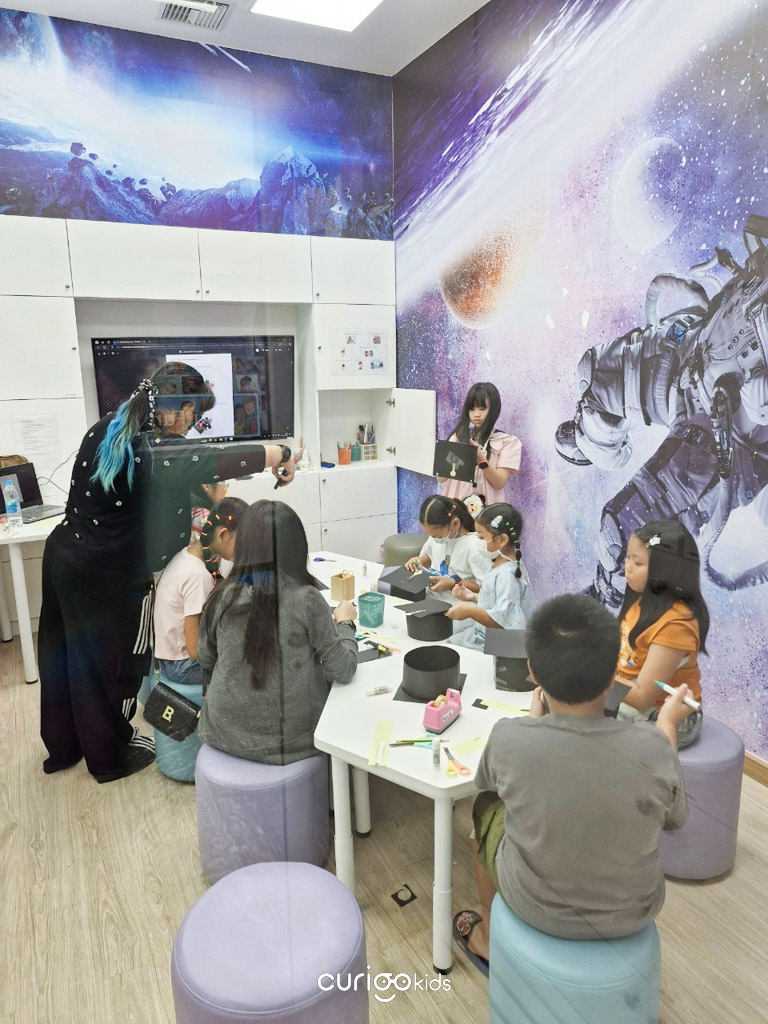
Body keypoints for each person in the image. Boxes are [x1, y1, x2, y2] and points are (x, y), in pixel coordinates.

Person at [38, 362, 295, 784]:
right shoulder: (151, 447)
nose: (193, 426)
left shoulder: (111, 426)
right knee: (115, 667)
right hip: (104, 574)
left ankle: (65, 747)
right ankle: (110, 757)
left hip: (63, 555)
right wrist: (280, 454)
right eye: (195, 414)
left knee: (66, 660)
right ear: (182, 407)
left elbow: (162, 483)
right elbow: (209, 461)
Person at [453, 593, 692, 974]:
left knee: (485, 807)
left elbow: (488, 785)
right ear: (613, 673)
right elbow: (676, 818)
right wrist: (667, 725)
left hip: (534, 905)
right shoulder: (653, 746)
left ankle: (486, 934)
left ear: (532, 671)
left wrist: (531, 725)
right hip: (635, 909)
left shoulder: (510, 737)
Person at [196, 500, 358, 763]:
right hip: (291, 743)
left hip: (222, 732)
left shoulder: (221, 596)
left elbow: (205, 658)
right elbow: (343, 669)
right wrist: (346, 624)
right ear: (297, 547)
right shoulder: (306, 599)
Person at [616, 519, 708, 747]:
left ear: (666, 572)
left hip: (670, 716)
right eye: (628, 557)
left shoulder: (676, 624)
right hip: (630, 696)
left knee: (588, 725)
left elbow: (642, 698)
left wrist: (594, 676)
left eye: (637, 562)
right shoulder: (640, 600)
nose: (627, 566)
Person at [153, 497, 247, 688]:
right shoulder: (198, 575)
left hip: (169, 659)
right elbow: (195, 651)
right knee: (249, 666)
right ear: (222, 535)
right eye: (242, 541)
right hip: (181, 666)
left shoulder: (186, 555)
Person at [446, 503, 535, 646]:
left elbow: (503, 622)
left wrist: (470, 611)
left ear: (502, 540)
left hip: (495, 644)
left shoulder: (507, 576)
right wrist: (473, 597)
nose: (477, 541)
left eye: (481, 537)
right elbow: (498, 602)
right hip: (483, 634)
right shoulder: (500, 562)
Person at [438, 382, 522, 506]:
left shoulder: (507, 442)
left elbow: (499, 482)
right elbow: (441, 479)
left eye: (482, 409)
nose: (476, 414)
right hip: (457, 507)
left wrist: (482, 460)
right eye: (472, 409)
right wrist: (446, 457)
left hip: (488, 509)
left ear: (493, 409)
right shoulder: (458, 437)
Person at [404, 495, 491, 602]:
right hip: (432, 600)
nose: (435, 539)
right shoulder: (437, 537)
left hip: (460, 607)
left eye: (438, 536)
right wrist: (418, 561)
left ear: (455, 523)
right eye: (431, 536)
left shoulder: (475, 547)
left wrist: (453, 584)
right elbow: (431, 556)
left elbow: (485, 588)